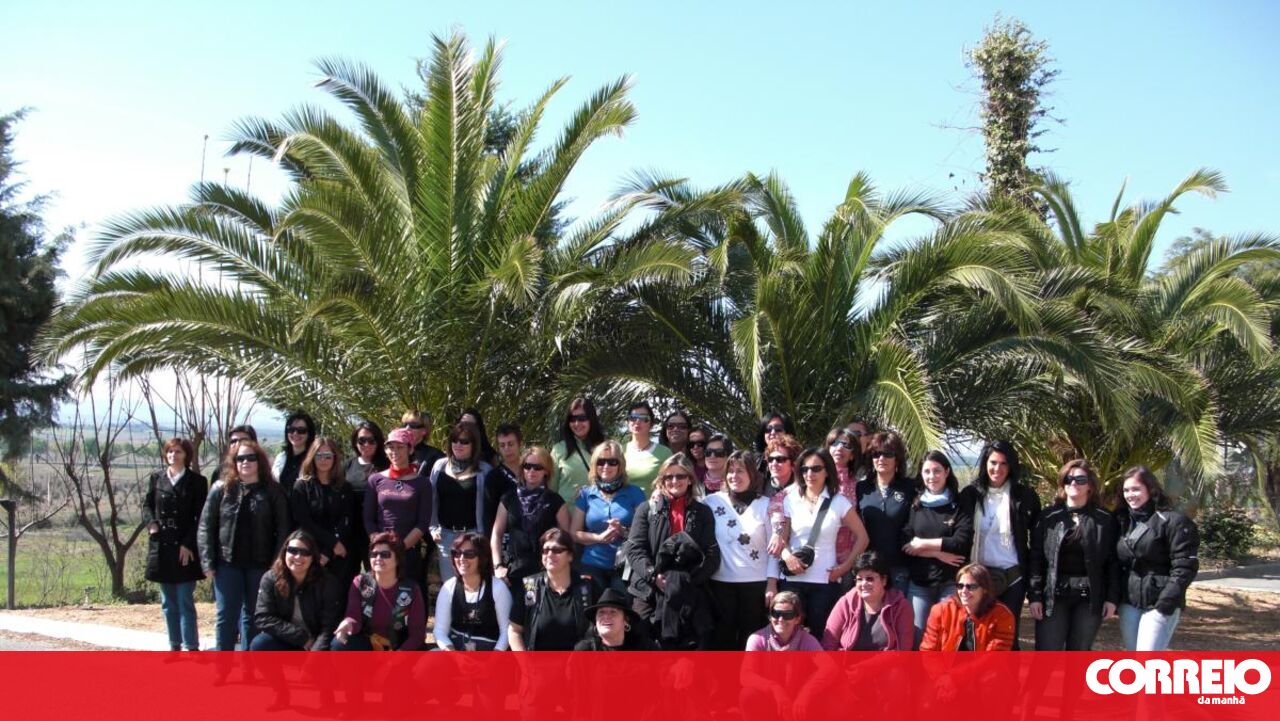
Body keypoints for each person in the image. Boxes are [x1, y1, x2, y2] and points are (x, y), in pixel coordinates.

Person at [198, 439, 291, 651]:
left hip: (261, 565)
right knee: (226, 616)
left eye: (251, 458)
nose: (245, 462)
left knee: (254, 616)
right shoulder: (221, 489)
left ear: (260, 461)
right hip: (226, 564)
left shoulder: (273, 491)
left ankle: (250, 664)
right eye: (241, 458)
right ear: (234, 462)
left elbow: (283, 531)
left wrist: (276, 565)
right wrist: (207, 562)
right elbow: (205, 526)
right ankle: (223, 664)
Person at [625, 453, 720, 649]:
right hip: (649, 589)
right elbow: (634, 548)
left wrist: (686, 582)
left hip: (690, 587)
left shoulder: (703, 512)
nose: (674, 481)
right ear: (662, 480)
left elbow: (712, 553)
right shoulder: (646, 509)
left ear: (690, 479)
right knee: (644, 644)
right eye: (669, 476)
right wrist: (654, 577)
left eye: (680, 476)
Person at [1028, 459, 1120, 651]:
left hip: (1090, 598)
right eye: (1068, 479)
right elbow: (1036, 558)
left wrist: (1112, 598)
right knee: (1046, 653)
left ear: (1090, 486)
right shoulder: (1048, 517)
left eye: (1080, 479)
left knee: (1078, 655)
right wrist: (1035, 595)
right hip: (1054, 596)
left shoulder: (1104, 519)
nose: (1073, 483)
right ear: (1062, 483)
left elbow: (1113, 562)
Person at [957, 440, 1041, 649]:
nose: (998, 469)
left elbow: (1037, 542)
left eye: (1004, 463)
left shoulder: (1024, 496)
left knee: (1007, 639)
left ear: (1011, 466)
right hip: (977, 578)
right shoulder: (970, 495)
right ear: (985, 463)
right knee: (976, 638)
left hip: (1012, 577)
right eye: (993, 462)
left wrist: (1034, 587)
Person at [779, 448, 869, 636]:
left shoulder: (839, 502)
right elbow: (782, 539)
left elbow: (863, 537)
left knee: (822, 637)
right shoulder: (790, 500)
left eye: (816, 469)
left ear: (827, 471)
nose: (809, 474)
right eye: (805, 469)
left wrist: (844, 568)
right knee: (789, 637)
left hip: (824, 582)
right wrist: (787, 557)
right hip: (792, 580)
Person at [1114, 466, 1200, 651]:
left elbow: (1185, 566)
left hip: (1159, 602)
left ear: (1150, 489)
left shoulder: (1173, 521)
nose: (1130, 495)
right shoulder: (1121, 521)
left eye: (1136, 489)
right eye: (1126, 490)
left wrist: (1166, 602)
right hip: (1129, 602)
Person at [704, 450, 776, 650]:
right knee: (723, 641)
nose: (734, 476)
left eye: (740, 471)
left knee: (751, 641)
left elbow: (775, 549)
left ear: (752, 474)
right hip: (720, 584)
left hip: (756, 586)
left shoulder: (766, 505)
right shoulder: (712, 502)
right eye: (731, 471)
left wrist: (772, 584)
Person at [902, 450, 973, 648]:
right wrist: (938, 553)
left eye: (937, 471)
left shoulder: (959, 504)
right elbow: (906, 542)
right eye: (927, 471)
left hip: (950, 582)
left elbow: (961, 542)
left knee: (948, 640)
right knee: (918, 639)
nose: (932, 476)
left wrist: (923, 544)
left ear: (947, 472)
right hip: (920, 585)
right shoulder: (916, 504)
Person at [143, 437, 208, 651]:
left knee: (184, 600)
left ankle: (191, 646)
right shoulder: (157, 478)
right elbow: (147, 506)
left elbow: (201, 517)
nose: (173, 455)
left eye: (178, 451)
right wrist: (151, 524)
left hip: (185, 547)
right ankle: (174, 645)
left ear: (186, 455)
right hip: (162, 546)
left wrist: (188, 544)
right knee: (167, 602)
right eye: (170, 452)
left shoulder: (197, 481)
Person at [363, 428, 432, 594]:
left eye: (400, 447)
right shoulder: (375, 479)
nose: (394, 451)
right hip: (381, 552)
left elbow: (423, 522)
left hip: (408, 550)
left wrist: (400, 548)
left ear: (410, 449)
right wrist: (381, 546)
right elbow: (368, 519)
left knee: (409, 597)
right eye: (390, 447)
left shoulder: (422, 483)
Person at [570, 440, 645, 591]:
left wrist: (623, 531)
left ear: (620, 465)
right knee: (590, 603)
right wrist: (598, 538)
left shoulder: (635, 493)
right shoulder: (585, 494)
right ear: (594, 465)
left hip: (626, 564)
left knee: (621, 603)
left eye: (612, 462)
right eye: (601, 462)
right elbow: (574, 533)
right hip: (592, 563)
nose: (606, 466)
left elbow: (645, 531)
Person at [250, 530, 343, 651]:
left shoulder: (327, 582)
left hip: (318, 643)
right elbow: (263, 617)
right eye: (293, 550)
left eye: (305, 552)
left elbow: (329, 626)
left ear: (313, 557)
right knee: (260, 644)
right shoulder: (270, 578)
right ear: (284, 552)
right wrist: (301, 637)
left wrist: (315, 654)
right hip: (289, 639)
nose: (298, 557)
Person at [333, 533, 427, 650]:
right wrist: (348, 623)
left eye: (385, 554)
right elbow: (354, 617)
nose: (378, 558)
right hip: (369, 643)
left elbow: (417, 635)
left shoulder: (411, 589)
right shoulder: (360, 583)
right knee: (339, 644)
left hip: (401, 647)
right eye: (374, 554)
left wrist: (398, 657)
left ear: (398, 559)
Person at [509, 529, 600, 650]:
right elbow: (514, 630)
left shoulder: (587, 588)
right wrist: (524, 660)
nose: (550, 555)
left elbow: (599, 631)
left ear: (570, 555)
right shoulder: (530, 586)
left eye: (557, 550)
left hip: (577, 661)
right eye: (545, 550)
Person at [491, 445, 570, 585]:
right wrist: (498, 566)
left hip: (545, 572)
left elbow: (565, 540)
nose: (532, 471)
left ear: (546, 471)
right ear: (522, 469)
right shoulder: (508, 498)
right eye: (527, 466)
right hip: (513, 571)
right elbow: (496, 534)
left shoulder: (555, 501)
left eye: (538, 467)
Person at [429, 422, 495, 582]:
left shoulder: (485, 470)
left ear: (474, 445)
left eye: (464, 441)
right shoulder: (439, 466)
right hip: (445, 536)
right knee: (450, 585)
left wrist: (483, 535)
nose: (458, 445)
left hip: (474, 535)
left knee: (474, 583)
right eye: (455, 440)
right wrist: (432, 527)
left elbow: (490, 508)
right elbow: (431, 500)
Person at [291, 437, 358, 587]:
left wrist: (329, 551)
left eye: (328, 456)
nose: (323, 460)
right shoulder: (302, 487)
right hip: (310, 551)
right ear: (312, 457)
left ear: (335, 458)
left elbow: (346, 520)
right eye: (319, 455)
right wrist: (332, 544)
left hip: (339, 553)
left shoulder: (344, 487)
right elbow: (304, 521)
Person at [855, 431, 915, 592]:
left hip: (900, 568)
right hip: (868, 569)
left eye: (887, 454)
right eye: (876, 454)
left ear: (897, 459)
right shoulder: (861, 488)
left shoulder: (910, 487)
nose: (881, 458)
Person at [433, 532, 512, 650]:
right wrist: (453, 654)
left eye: (469, 554)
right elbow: (440, 631)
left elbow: (506, 632)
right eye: (457, 553)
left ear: (482, 558)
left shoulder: (498, 589)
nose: (461, 559)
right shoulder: (448, 587)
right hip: (456, 652)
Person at [823, 551, 913, 651]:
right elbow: (829, 644)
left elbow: (903, 649)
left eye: (869, 579)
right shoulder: (845, 603)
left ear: (884, 580)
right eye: (859, 579)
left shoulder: (901, 607)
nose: (864, 583)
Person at [920, 563, 1015, 651]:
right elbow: (928, 650)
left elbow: (995, 656)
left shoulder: (1002, 615)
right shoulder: (940, 611)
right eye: (960, 586)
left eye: (971, 587)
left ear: (984, 590)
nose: (964, 591)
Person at [344, 420, 389, 571]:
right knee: (348, 575)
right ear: (355, 442)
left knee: (376, 575)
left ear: (379, 441)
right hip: (351, 532)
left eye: (371, 440)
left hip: (377, 532)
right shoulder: (348, 465)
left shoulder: (387, 465)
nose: (366, 444)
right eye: (362, 440)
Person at [550, 396, 606, 500]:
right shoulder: (558, 450)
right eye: (572, 419)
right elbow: (551, 489)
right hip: (566, 510)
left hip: (599, 509)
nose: (577, 423)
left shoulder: (605, 448)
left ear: (591, 419)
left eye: (582, 418)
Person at [825, 427, 863, 568]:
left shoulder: (859, 485)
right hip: (819, 555)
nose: (839, 448)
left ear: (852, 455)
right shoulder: (814, 480)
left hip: (848, 559)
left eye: (846, 445)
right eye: (835, 443)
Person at [572, 588, 656, 650]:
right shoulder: (584, 650)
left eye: (613, 612)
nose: (606, 616)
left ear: (626, 620)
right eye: (601, 612)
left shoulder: (645, 649)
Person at [622, 401, 673, 495]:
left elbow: (671, 484)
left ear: (651, 424)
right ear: (628, 422)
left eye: (643, 418)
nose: (637, 422)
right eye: (633, 418)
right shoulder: (619, 451)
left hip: (653, 503)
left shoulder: (665, 453)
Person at [745, 590, 823, 651]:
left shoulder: (807, 641)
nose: (781, 619)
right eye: (776, 614)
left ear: (797, 619)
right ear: (770, 617)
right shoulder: (757, 640)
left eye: (787, 615)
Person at [483, 422, 523, 535]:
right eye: (502, 445)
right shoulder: (493, 477)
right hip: (505, 536)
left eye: (510, 444)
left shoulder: (532, 470)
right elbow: (489, 516)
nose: (507, 449)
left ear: (520, 444)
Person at [273, 410, 316, 497]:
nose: (295, 433)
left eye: (301, 430)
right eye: (291, 430)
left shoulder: (314, 459)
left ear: (309, 433)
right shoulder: (281, 458)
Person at [752, 411, 796, 477]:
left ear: (787, 432)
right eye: (768, 429)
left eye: (778, 429)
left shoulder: (799, 460)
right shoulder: (754, 461)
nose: (772, 432)